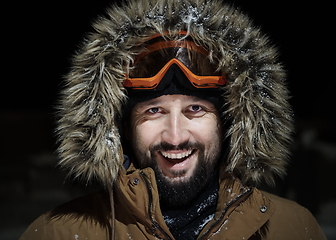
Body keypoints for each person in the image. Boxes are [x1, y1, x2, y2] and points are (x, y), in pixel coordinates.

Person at [20, 0, 327, 239]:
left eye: (196, 109)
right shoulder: (55, 234)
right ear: (121, 126)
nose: (176, 136)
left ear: (231, 123)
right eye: (153, 110)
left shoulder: (293, 228)